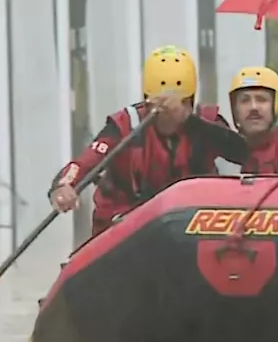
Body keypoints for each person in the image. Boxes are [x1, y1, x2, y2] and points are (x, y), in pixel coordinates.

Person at [48, 45, 248, 237]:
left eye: (181, 103)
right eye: (159, 105)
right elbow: (86, 162)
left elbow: (241, 153)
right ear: (147, 100)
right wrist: (65, 185)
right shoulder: (125, 125)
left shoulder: (206, 122)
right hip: (129, 223)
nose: (169, 114)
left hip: (190, 223)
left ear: (190, 101)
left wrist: (190, 121)